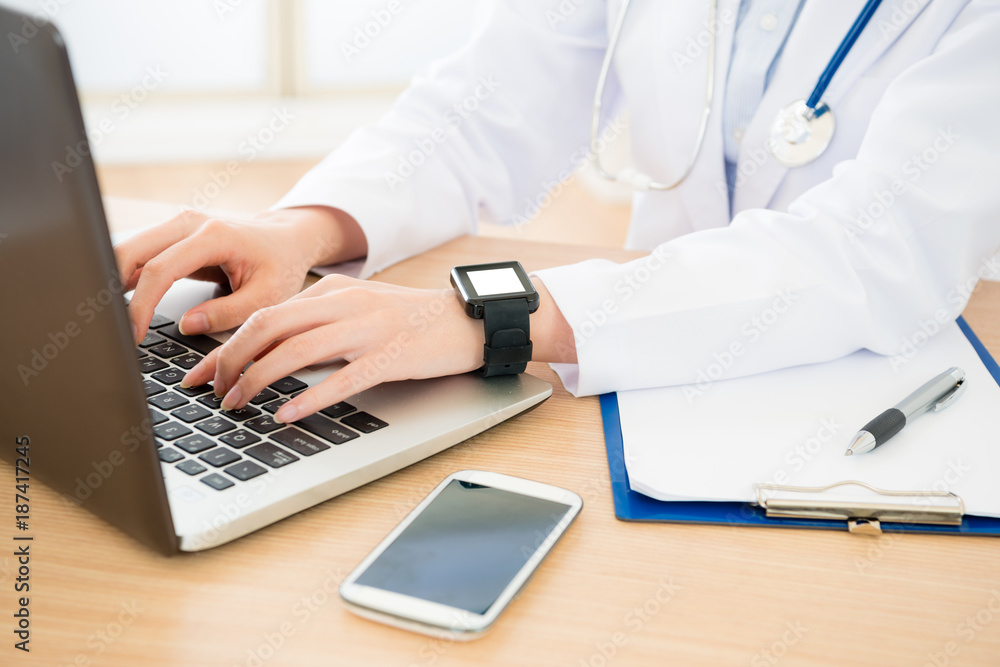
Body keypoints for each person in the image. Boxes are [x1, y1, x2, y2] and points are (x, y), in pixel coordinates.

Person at [115, 1, 1000, 427]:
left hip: (893, 393)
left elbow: (878, 246)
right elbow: (482, 110)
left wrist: (490, 318)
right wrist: (305, 227)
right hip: (644, 376)